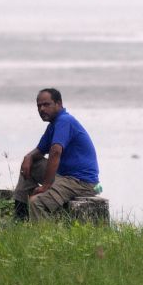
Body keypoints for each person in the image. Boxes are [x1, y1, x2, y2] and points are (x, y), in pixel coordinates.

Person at [13, 88, 100, 221]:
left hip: (81, 182)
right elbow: (40, 151)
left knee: (37, 202)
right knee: (32, 165)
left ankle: (42, 237)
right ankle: (20, 218)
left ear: (59, 104)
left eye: (46, 104)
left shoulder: (65, 121)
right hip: (64, 176)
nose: (42, 109)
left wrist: (46, 186)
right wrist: (28, 157)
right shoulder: (53, 125)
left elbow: (55, 152)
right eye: (39, 106)